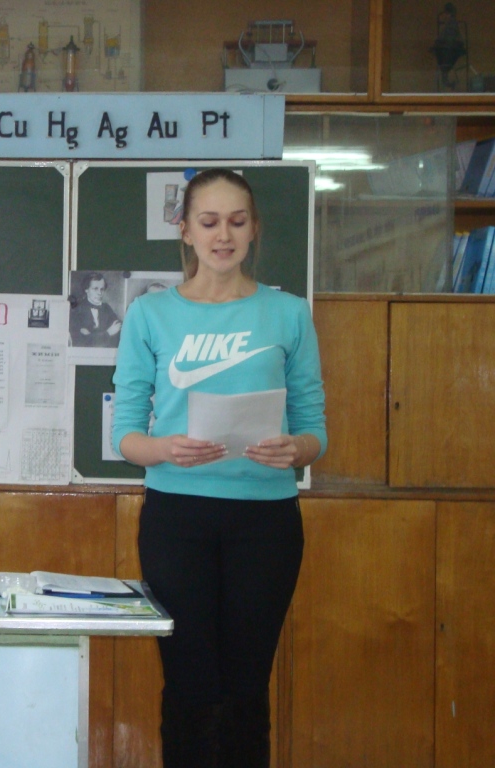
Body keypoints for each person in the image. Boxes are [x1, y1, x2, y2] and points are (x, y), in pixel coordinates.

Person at [111, 168, 326, 768]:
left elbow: (315, 427)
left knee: (246, 686)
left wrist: (297, 449)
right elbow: (125, 435)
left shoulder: (289, 313)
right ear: (185, 230)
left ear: (255, 229)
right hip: (177, 519)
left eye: (236, 221)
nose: (223, 235)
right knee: (189, 682)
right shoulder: (150, 314)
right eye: (209, 222)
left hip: (266, 522)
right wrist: (165, 449)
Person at [69, 272, 122, 347]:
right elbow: (82, 341)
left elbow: (118, 331)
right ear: (86, 289)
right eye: (95, 289)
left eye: (102, 289)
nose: (99, 293)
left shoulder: (106, 308)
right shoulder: (77, 309)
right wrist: (108, 333)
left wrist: (91, 335)